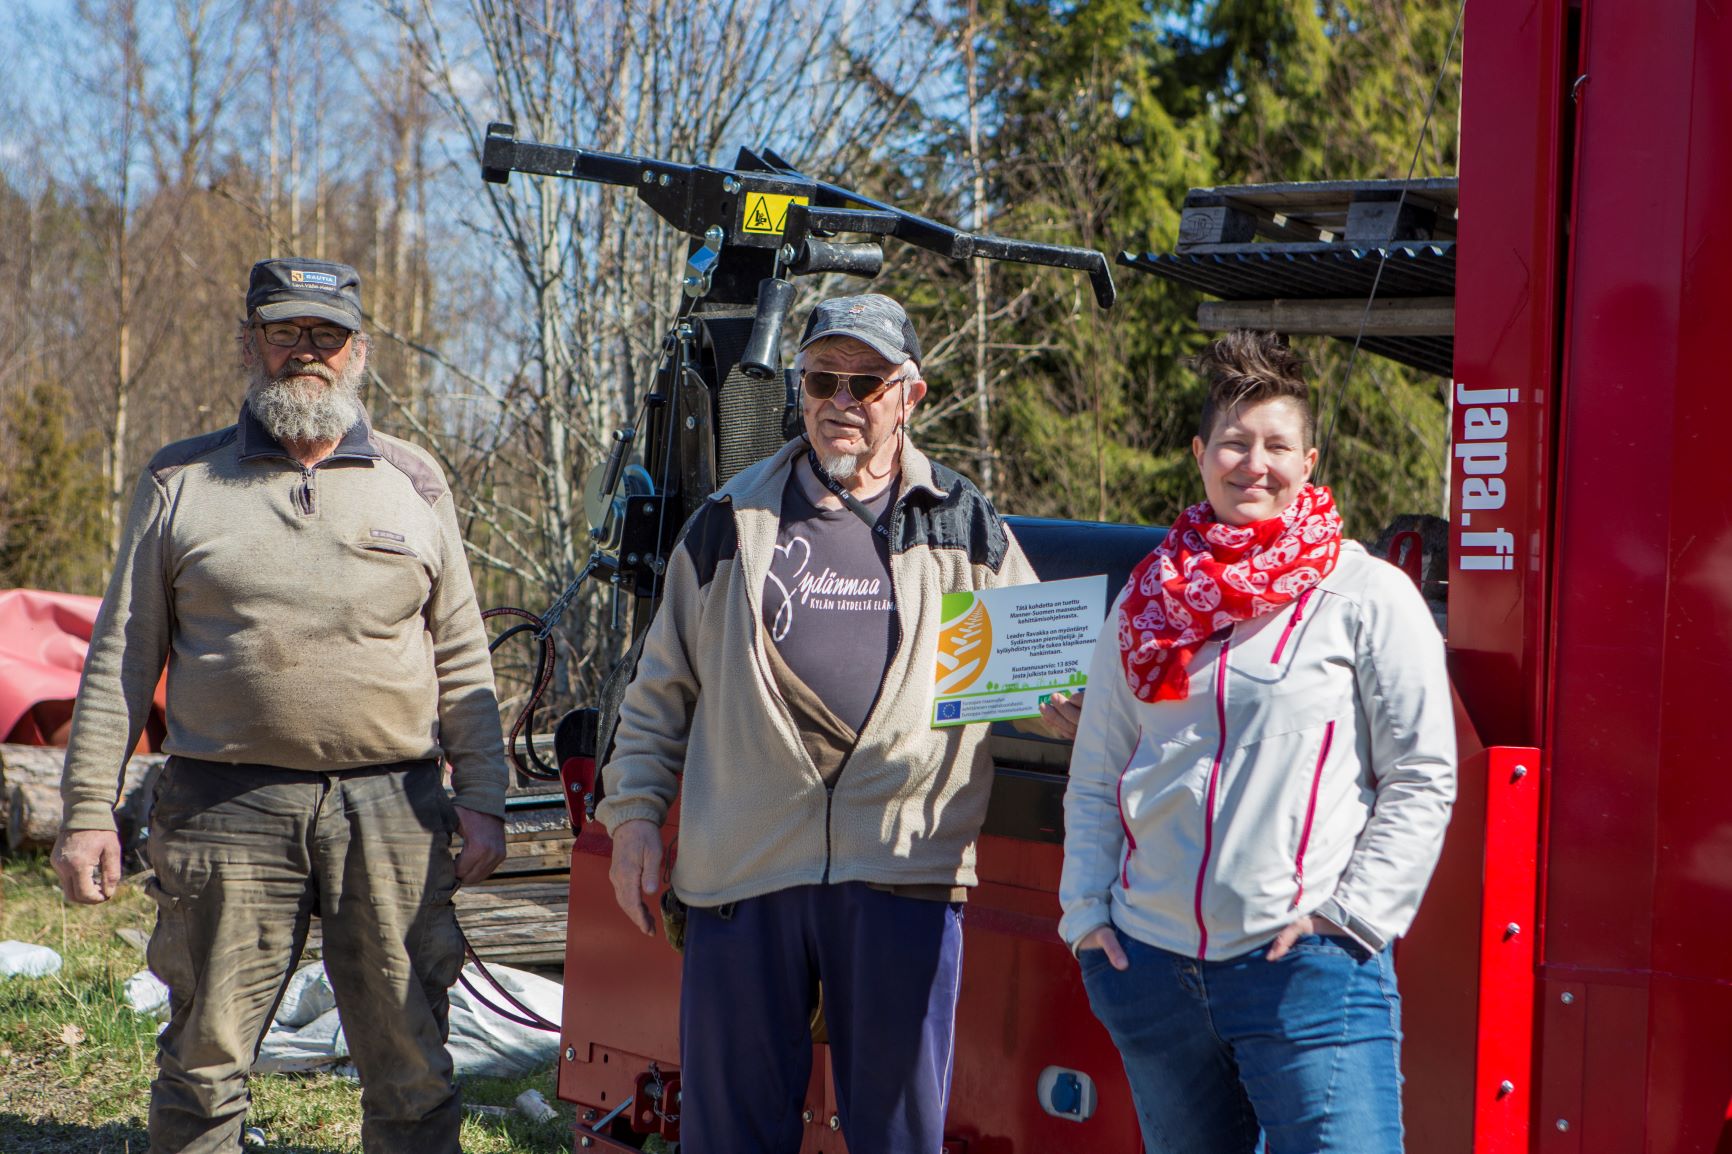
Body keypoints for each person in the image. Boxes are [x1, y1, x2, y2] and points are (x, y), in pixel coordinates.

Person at [53, 257, 509, 1154]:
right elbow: (121, 656)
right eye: (285, 332)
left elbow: (463, 653)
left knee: (412, 1064)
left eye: (326, 335)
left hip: (392, 808)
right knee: (204, 1060)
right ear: (250, 344)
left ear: (359, 351)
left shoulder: (415, 482)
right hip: (223, 808)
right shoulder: (179, 480)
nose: (307, 352)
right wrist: (83, 815)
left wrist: (486, 798)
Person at [598, 293, 1037, 1154]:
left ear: (909, 394)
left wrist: (1070, 708)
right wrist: (633, 819)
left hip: (903, 866)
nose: (840, 400)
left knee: (901, 1135)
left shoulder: (965, 522)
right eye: (822, 380)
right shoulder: (728, 520)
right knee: (730, 1136)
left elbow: (1039, 680)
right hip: (744, 873)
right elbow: (659, 693)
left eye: (864, 383)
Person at [1051, 330, 1455, 1153]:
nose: (1254, 464)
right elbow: (1098, 772)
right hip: (1152, 970)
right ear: (1202, 454)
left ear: (1310, 460)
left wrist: (1349, 923)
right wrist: (1088, 916)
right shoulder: (1149, 597)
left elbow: (1421, 775)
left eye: (1277, 445)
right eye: (1235, 442)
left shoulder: (1367, 594)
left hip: (1307, 972)